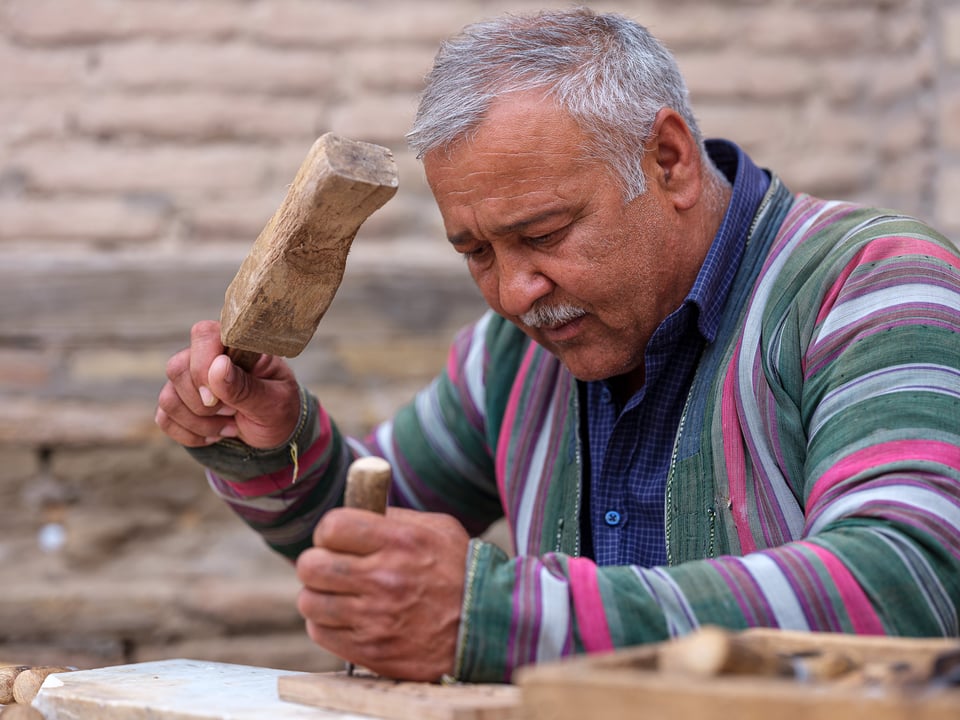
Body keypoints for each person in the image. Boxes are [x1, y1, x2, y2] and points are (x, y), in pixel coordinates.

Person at [155, 7, 960, 684]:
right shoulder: (514, 357)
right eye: (475, 252)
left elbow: (908, 577)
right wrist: (268, 443)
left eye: (542, 233)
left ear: (669, 161)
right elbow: (380, 555)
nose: (513, 293)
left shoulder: (871, 283)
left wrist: (509, 620)